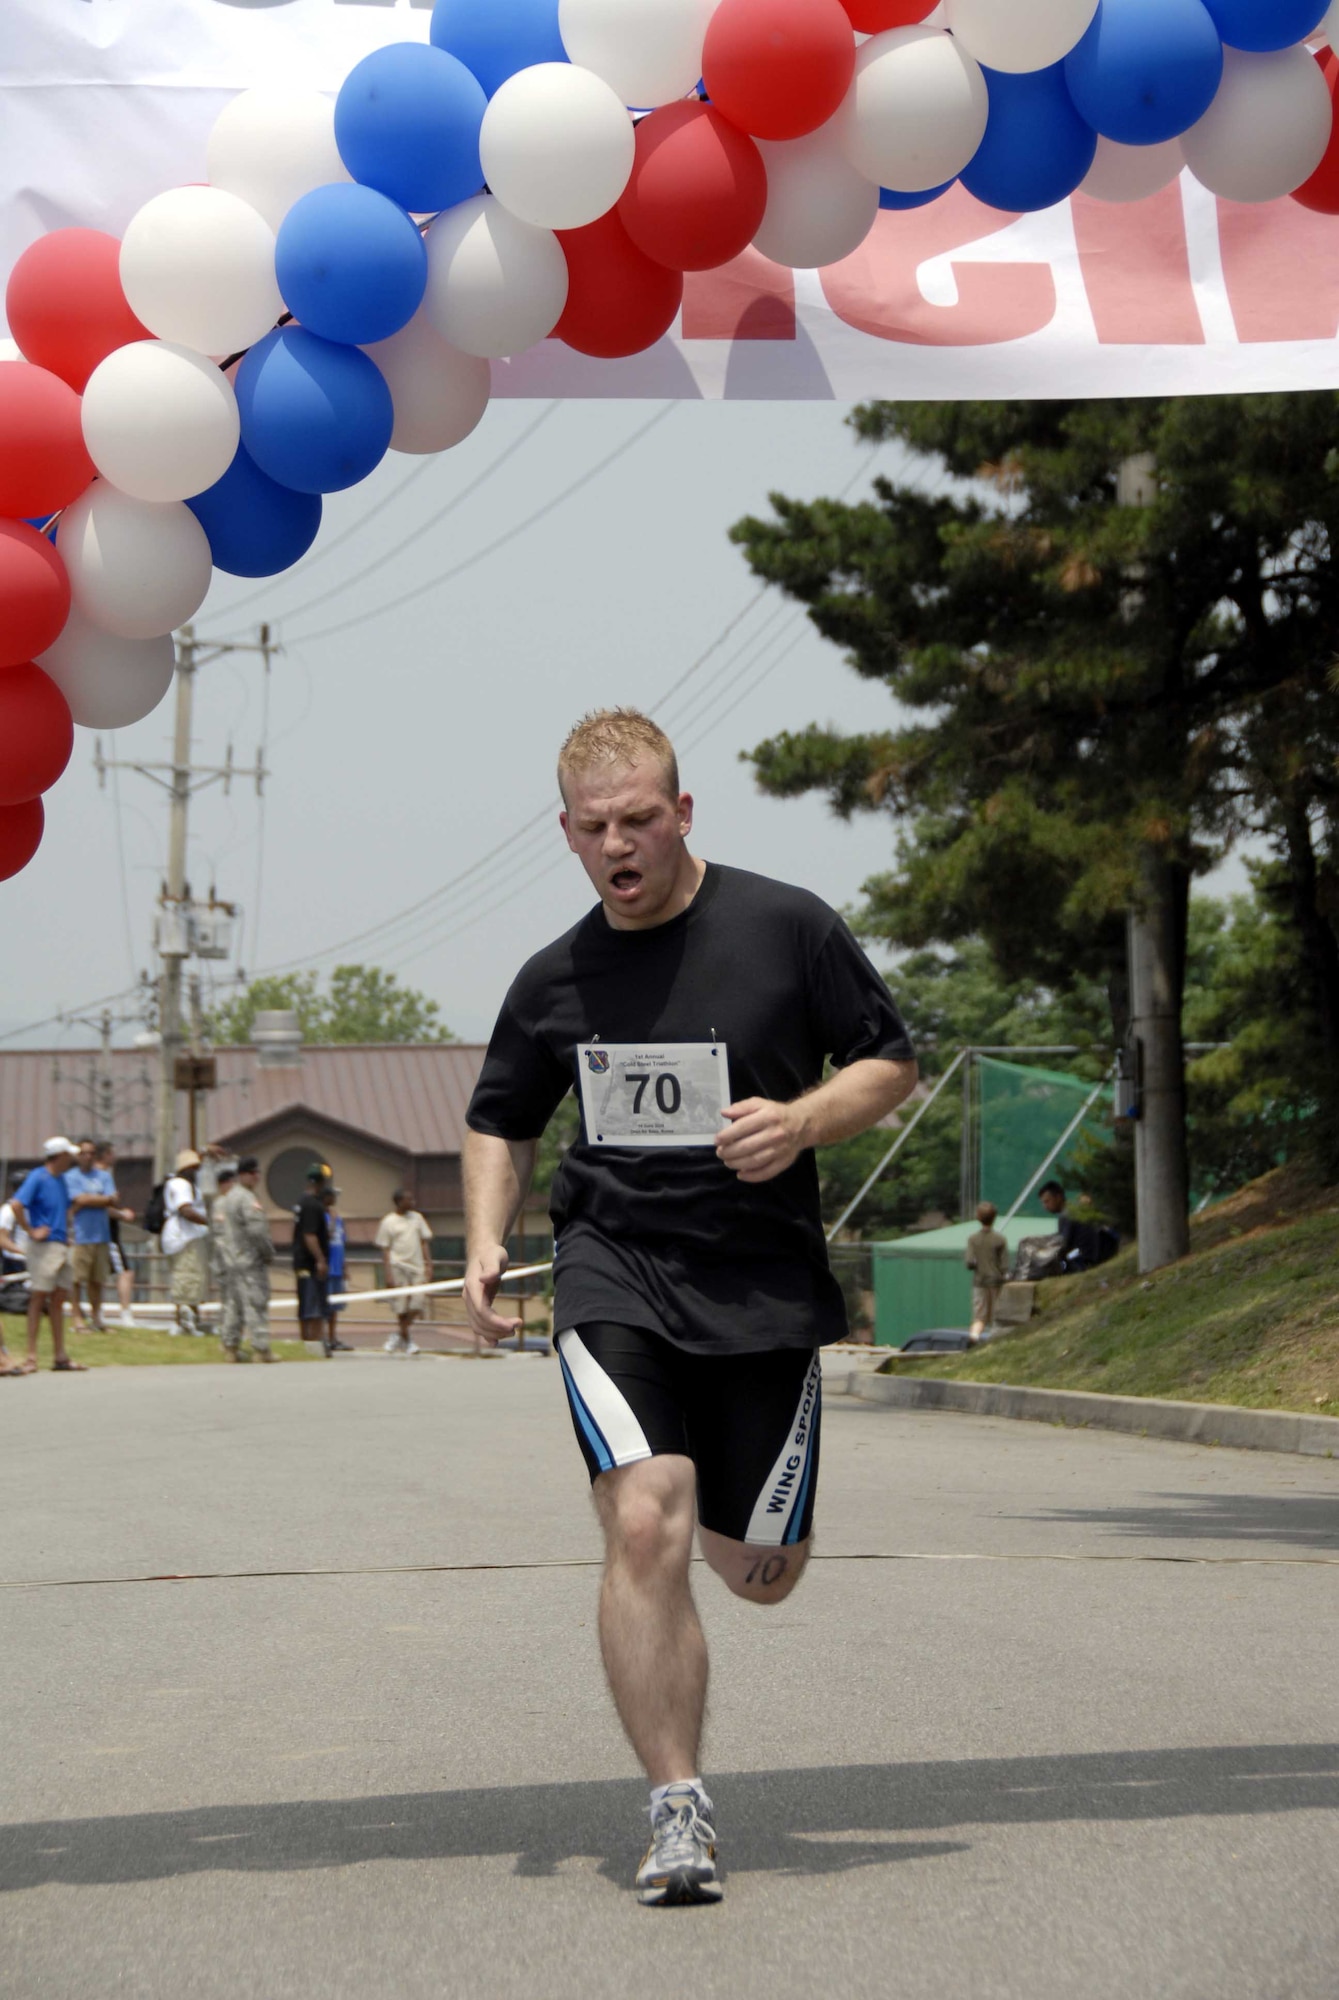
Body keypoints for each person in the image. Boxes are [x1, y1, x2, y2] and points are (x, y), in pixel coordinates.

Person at [463, 709, 917, 1907]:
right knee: (646, 1522)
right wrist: (481, 1241)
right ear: (565, 832)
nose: (620, 843)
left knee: (759, 1566)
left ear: (683, 813)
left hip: (760, 1284)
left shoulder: (786, 925)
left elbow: (888, 1058)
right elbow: (500, 1116)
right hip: (613, 1270)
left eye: (640, 819)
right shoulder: (553, 977)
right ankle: (676, 1805)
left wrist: (803, 1119)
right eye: (595, 826)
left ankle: (732, 1517)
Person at [11, 1137, 86, 1373]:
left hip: (61, 1243)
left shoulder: (62, 1180)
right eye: (68, 1155)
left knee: (59, 1298)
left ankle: (60, 1356)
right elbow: (16, 1204)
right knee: (38, 1297)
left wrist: (66, 1231)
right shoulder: (38, 1176)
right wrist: (30, 1230)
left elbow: (64, 1208)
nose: (71, 1159)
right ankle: (31, 1357)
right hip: (43, 1247)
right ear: (60, 1155)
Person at [65, 1138, 136, 1334]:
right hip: (80, 1235)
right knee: (77, 1280)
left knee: (97, 1280)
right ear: (78, 1156)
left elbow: (112, 1200)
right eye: (84, 1153)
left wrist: (92, 1200)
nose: (88, 1157)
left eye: (91, 1153)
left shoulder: (103, 1176)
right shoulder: (71, 1176)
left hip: (102, 1235)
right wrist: (99, 1199)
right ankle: (77, 1318)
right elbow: (78, 1199)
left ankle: (97, 1318)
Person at [215, 1156, 276, 1363]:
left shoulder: (229, 1197)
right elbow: (257, 1230)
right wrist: (268, 1252)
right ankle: (261, 1348)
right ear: (243, 1175)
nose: (257, 1177)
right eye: (253, 1173)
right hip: (249, 1258)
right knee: (256, 1301)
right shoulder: (247, 1198)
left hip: (231, 1259)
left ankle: (230, 1347)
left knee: (234, 1303)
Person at [376, 1189, 433, 1355]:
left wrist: (429, 1264)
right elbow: (385, 1249)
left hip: (417, 1267)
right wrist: (387, 1273)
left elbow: (424, 1242)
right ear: (399, 1202)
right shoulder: (389, 1221)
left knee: (418, 1303)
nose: (412, 1203)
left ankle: (399, 1334)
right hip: (397, 1266)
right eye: (408, 1200)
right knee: (401, 1305)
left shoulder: (417, 1218)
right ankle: (407, 1341)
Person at [162, 1148, 210, 1336]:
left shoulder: (181, 1183)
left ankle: (191, 1321)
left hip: (187, 1235)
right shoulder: (181, 1184)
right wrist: (209, 1222)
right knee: (187, 1277)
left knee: (192, 1278)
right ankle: (184, 1322)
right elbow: (186, 1210)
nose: (197, 1171)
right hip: (185, 1236)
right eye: (194, 1167)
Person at [293, 1163, 332, 1355]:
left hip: (301, 1262)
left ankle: (308, 1344)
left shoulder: (301, 1201)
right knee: (313, 1306)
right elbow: (309, 1235)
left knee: (306, 1305)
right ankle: (313, 1344)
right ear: (321, 1182)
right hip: (309, 1264)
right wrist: (320, 1260)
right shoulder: (312, 1204)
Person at [965, 1200, 1009, 1339]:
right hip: (996, 1281)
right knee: (997, 1315)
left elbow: (969, 1262)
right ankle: (995, 1340)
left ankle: (973, 1337)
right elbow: (1004, 1265)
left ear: (978, 1217)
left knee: (979, 1317)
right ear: (994, 1217)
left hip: (980, 1282)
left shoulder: (973, 1239)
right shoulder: (1000, 1239)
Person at [322, 1186, 354, 1353]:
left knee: (336, 1307)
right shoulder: (322, 1216)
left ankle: (333, 1338)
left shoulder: (339, 1219)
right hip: (325, 1268)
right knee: (323, 1305)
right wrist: (332, 1221)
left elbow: (341, 1243)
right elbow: (325, 1236)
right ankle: (322, 1338)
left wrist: (345, 1266)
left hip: (337, 1267)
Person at [1, 1168, 29, 1277]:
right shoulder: (8, 1210)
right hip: (15, 1261)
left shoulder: (31, 1209)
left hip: (33, 1259)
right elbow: (2, 1239)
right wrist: (23, 1252)